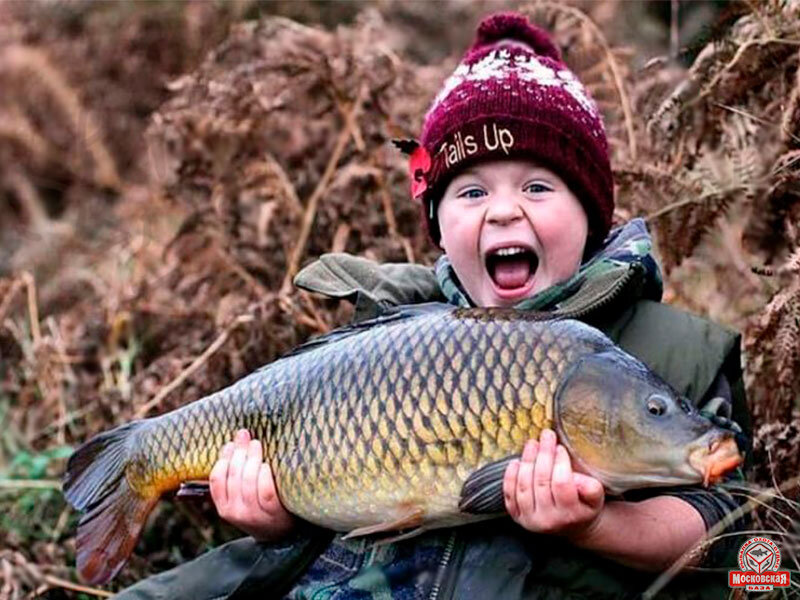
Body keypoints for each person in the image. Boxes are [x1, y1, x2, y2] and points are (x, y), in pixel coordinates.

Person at [118, 12, 749, 600]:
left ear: (590, 214)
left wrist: (595, 527)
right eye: (471, 190)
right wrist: (274, 518)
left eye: (536, 186)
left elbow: (743, 543)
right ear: (438, 227)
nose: (503, 210)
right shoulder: (389, 340)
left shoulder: (666, 353)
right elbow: (320, 508)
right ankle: (139, 461)